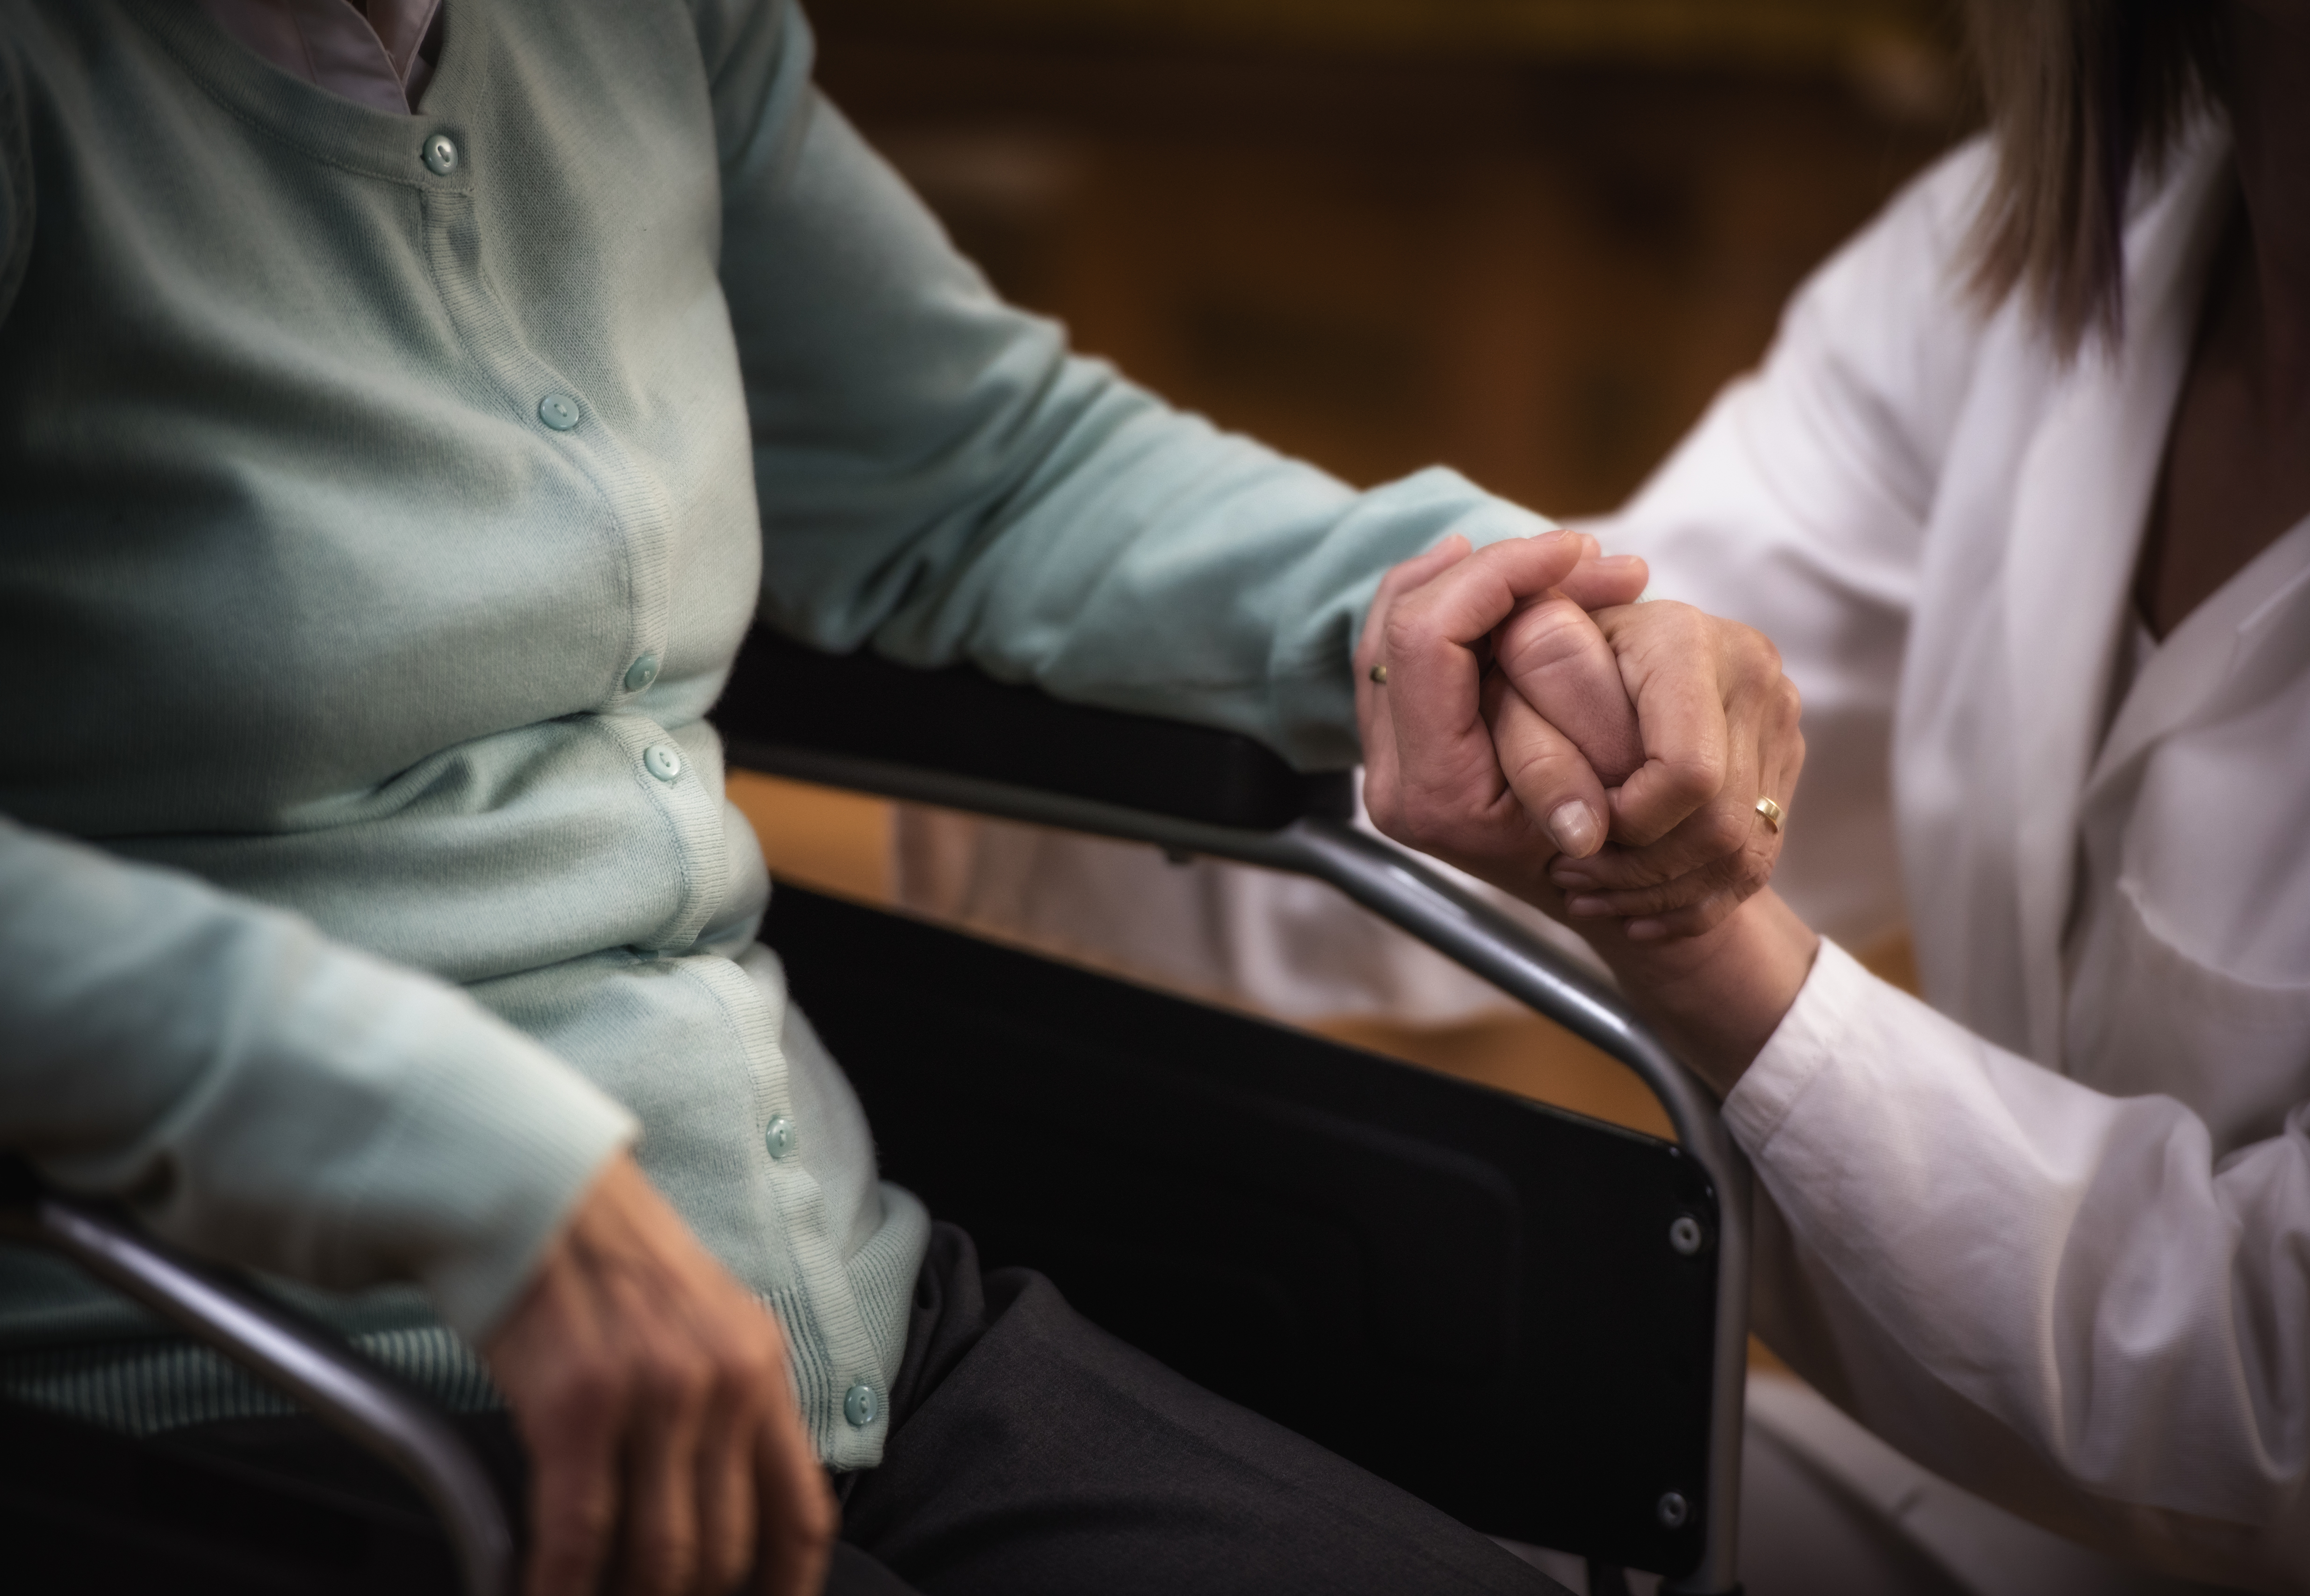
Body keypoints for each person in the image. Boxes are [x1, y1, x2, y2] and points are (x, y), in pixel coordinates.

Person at [0, 3, 1781, 1594]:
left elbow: (971, 470)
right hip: (264, 1392)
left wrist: (1433, 609)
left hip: (830, 1304)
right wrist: (452, 1154)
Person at [1364, 2, 2310, 1591]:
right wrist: (1537, 689)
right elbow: (1619, 654)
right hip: (1984, 1511)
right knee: (1311, 1465)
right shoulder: (2013, 256)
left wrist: (1703, 940)